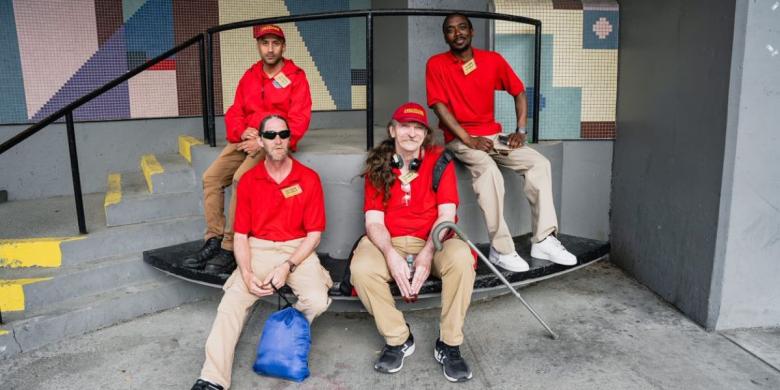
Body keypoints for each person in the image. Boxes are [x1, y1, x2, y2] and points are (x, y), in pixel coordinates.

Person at [425, 13, 576, 272]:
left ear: (472, 32)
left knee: (538, 163)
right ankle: (501, 249)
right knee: (488, 171)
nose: (457, 33)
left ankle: (543, 239)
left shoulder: (491, 60)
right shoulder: (436, 64)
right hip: (460, 138)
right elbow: (439, 107)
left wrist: (520, 130)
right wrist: (468, 139)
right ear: (445, 36)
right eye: (450, 30)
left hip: (494, 136)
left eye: (462, 27)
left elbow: (518, 91)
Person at [190, 114, 331, 390]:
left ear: (290, 138)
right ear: (261, 141)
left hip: (297, 249)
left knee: (316, 300)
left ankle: (280, 333)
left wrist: (287, 266)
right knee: (231, 303)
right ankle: (212, 378)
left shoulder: (309, 178)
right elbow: (240, 236)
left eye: (283, 134)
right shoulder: (250, 181)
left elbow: (314, 235)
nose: (277, 140)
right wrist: (246, 272)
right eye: (270, 135)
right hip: (258, 247)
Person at [350, 102, 476, 382]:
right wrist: (390, 254)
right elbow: (373, 221)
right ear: (393, 130)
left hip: (434, 237)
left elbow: (446, 216)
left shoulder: (440, 159)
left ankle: (449, 343)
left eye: (418, 127)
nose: (411, 133)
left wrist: (429, 252)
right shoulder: (378, 163)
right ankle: (398, 338)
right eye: (405, 126)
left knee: (462, 260)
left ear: (425, 134)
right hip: (388, 238)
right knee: (361, 268)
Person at [183, 24, 312, 274]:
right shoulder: (251, 75)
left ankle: (230, 246)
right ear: (258, 46)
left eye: (276, 43)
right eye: (265, 43)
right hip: (246, 138)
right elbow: (235, 111)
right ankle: (213, 239)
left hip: (274, 141)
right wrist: (241, 131)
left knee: (242, 178)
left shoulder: (296, 76)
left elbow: (299, 120)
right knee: (211, 178)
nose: (270, 49)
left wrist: (264, 140)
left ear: (283, 46)